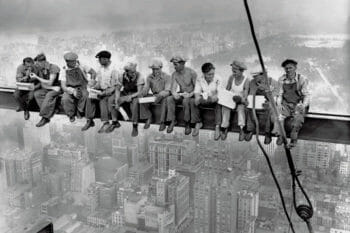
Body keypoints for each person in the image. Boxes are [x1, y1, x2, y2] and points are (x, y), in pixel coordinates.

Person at [274, 59, 310, 147]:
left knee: (297, 119)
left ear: (295, 68)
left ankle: (293, 139)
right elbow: (280, 94)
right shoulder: (281, 79)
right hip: (286, 104)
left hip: (298, 103)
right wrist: (279, 104)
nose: (288, 70)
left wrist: (303, 105)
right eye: (286, 68)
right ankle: (281, 135)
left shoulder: (302, 79)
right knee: (278, 115)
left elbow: (306, 95)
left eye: (290, 68)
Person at [83, 50, 120, 133]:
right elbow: (99, 83)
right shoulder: (100, 69)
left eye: (100, 59)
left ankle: (114, 122)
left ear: (106, 59)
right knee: (93, 98)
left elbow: (115, 86)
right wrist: (93, 87)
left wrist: (105, 92)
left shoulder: (114, 69)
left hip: (113, 92)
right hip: (103, 91)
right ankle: (97, 121)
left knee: (107, 101)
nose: (99, 61)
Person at [60, 52, 97, 122]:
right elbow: (63, 86)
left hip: (83, 86)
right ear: (67, 62)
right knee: (65, 99)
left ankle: (80, 112)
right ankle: (71, 115)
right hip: (70, 88)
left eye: (75, 60)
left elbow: (93, 72)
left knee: (86, 95)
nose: (75, 62)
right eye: (72, 62)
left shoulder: (81, 65)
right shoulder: (64, 70)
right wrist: (72, 91)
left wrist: (91, 81)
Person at [244, 73, 279, 144]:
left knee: (270, 108)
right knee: (248, 108)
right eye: (254, 76)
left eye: (257, 76)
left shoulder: (273, 82)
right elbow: (251, 95)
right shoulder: (252, 82)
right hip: (256, 102)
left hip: (267, 103)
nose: (255, 78)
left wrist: (266, 90)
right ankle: (250, 129)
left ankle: (267, 133)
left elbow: (274, 98)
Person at [166, 56, 197, 134]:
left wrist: (190, 94)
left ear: (182, 64)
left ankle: (187, 123)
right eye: (173, 64)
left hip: (191, 95)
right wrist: (174, 94)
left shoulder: (192, 73)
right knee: (170, 99)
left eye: (176, 64)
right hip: (182, 94)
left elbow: (197, 89)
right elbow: (173, 89)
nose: (174, 67)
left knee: (186, 101)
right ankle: (173, 121)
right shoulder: (174, 74)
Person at [220, 60, 249, 141]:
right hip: (231, 99)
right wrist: (224, 97)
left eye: (235, 71)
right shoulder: (231, 77)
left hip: (240, 100)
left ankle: (241, 128)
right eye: (233, 71)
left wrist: (240, 99)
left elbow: (245, 95)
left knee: (241, 109)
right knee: (225, 107)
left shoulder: (246, 80)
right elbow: (227, 89)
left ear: (241, 71)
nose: (233, 73)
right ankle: (224, 127)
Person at [191, 62, 222, 139]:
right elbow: (197, 92)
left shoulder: (218, 79)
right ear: (204, 73)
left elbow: (219, 93)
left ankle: (217, 126)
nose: (211, 76)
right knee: (194, 102)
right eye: (209, 74)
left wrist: (213, 98)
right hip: (204, 99)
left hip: (214, 99)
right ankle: (198, 123)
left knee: (218, 104)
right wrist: (197, 98)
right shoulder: (199, 79)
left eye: (213, 74)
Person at [114, 62, 144, 137]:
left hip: (135, 94)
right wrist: (117, 100)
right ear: (126, 72)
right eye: (131, 72)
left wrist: (129, 97)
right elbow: (117, 89)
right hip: (126, 92)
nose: (134, 73)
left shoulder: (140, 76)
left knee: (134, 103)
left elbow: (139, 92)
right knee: (113, 100)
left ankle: (134, 125)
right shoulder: (121, 76)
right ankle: (114, 122)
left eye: (134, 71)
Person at [140, 59, 171, 131]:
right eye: (153, 69)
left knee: (165, 100)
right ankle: (149, 117)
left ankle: (162, 122)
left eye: (157, 69)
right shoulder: (149, 77)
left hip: (163, 95)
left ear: (161, 68)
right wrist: (142, 93)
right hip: (154, 95)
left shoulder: (167, 77)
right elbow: (146, 88)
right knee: (142, 99)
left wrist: (160, 95)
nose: (155, 71)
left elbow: (168, 90)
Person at [31, 53, 61, 127]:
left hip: (56, 88)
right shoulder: (41, 69)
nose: (36, 65)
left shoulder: (53, 67)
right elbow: (43, 83)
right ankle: (51, 110)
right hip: (49, 88)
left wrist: (37, 77)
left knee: (49, 95)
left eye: (38, 64)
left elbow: (50, 82)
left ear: (43, 62)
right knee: (37, 93)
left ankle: (45, 117)